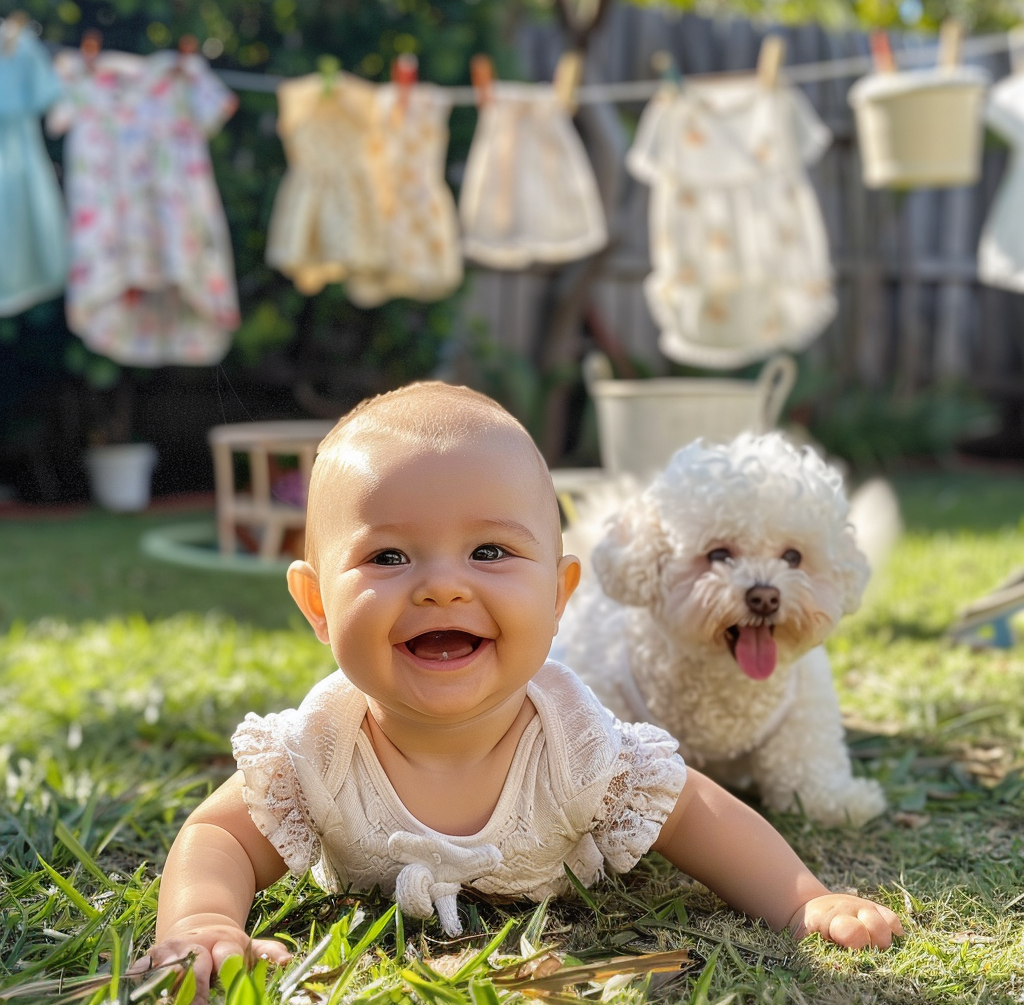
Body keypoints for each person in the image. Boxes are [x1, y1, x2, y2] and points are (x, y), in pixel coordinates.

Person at [143, 381, 903, 1000]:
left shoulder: (577, 745)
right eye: (388, 556)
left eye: (489, 550)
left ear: (557, 596)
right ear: (316, 605)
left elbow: (695, 813)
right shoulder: (319, 748)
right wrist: (203, 919)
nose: (442, 586)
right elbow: (219, 835)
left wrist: (803, 899)